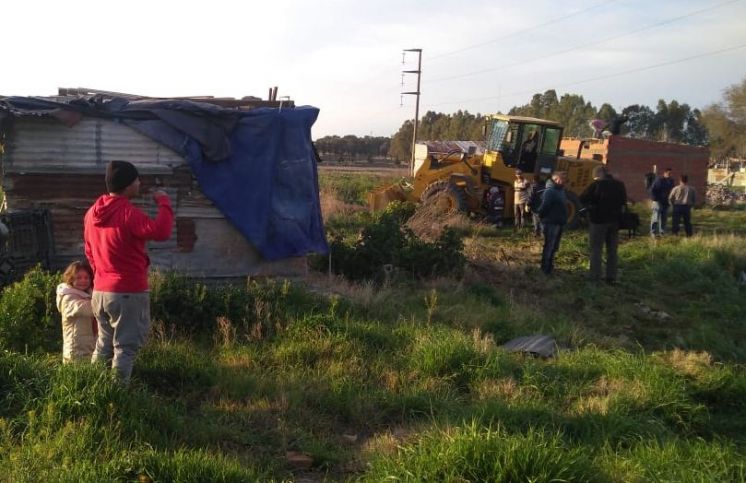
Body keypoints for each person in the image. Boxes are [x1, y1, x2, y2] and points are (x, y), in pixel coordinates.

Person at [84, 160, 174, 384]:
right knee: (125, 348)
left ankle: (91, 389)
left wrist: (100, 275)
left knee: (104, 345)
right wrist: (163, 201)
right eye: (137, 179)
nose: (140, 183)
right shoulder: (128, 213)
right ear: (127, 185)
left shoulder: (91, 214)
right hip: (127, 292)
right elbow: (161, 231)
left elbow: (89, 251)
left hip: (100, 291)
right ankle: (117, 397)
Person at [579, 166, 628, 284]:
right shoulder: (619, 185)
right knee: (612, 250)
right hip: (614, 221)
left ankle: (594, 277)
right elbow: (623, 201)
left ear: (599, 174)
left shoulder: (597, 185)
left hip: (598, 221)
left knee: (596, 249)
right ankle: (611, 277)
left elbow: (583, 198)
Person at [56, 261, 96, 363]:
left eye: (86, 278)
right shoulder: (68, 297)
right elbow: (83, 308)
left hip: (88, 345)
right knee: (78, 373)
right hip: (75, 349)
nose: (83, 281)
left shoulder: (88, 294)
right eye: (78, 278)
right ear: (70, 278)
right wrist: (106, 302)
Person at [536, 172, 568, 275]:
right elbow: (545, 206)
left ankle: (550, 266)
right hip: (550, 222)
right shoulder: (550, 192)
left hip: (559, 222)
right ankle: (545, 269)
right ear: (556, 179)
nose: (565, 182)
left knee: (554, 246)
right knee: (549, 245)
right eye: (563, 179)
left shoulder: (561, 191)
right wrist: (540, 215)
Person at [649, 168, 675, 237]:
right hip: (658, 202)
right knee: (655, 218)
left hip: (666, 202)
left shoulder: (671, 181)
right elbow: (652, 189)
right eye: (668, 173)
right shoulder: (659, 180)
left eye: (671, 174)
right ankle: (653, 232)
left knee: (664, 219)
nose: (670, 175)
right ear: (665, 173)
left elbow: (672, 192)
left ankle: (662, 232)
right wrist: (655, 199)